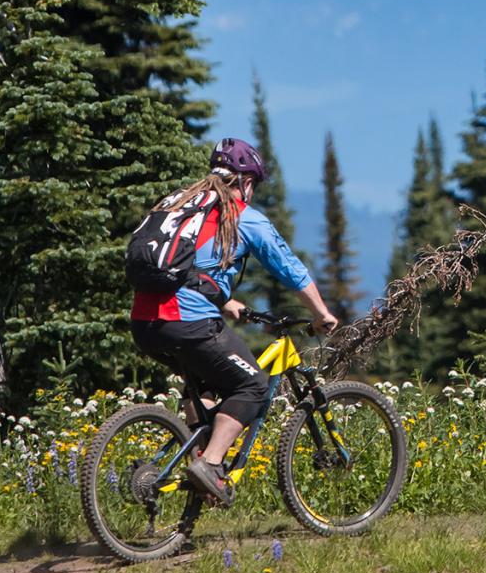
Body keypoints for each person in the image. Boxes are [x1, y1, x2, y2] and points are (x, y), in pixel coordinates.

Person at [129, 138, 339, 505]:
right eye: (253, 183)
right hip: (188, 321)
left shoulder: (183, 205)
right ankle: (210, 465)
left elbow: (188, 269)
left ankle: (200, 462)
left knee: (208, 383)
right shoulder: (242, 216)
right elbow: (290, 269)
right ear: (243, 180)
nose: (252, 191)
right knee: (254, 385)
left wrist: (227, 302)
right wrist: (321, 313)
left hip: (145, 321)